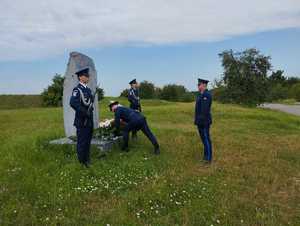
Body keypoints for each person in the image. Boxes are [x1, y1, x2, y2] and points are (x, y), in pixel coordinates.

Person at [70, 68, 94, 167]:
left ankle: (87, 160)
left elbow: (89, 103)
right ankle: (82, 162)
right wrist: (85, 112)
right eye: (86, 75)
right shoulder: (77, 89)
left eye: (88, 75)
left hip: (89, 120)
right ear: (80, 77)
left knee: (88, 141)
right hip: (82, 120)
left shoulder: (88, 89)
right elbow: (73, 103)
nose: (88, 77)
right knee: (82, 142)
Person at [194, 78, 213, 163]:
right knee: (203, 139)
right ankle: (205, 156)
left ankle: (208, 158)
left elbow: (204, 111)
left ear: (204, 85)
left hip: (204, 122)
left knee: (206, 139)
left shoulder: (207, 95)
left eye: (199, 84)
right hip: (200, 121)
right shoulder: (200, 95)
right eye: (198, 84)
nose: (198, 86)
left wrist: (200, 121)